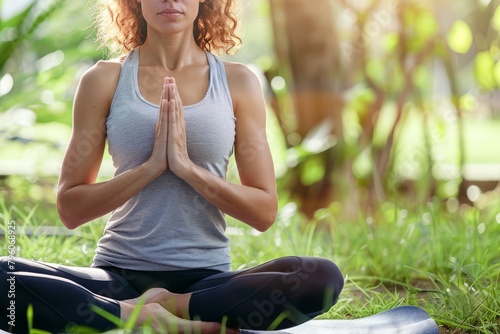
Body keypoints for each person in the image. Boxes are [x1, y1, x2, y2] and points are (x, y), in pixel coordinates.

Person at [0, 0, 344, 332]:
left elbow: (264, 212)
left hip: (207, 283)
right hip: (117, 276)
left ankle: (169, 308)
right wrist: (149, 168)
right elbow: (69, 210)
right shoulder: (104, 79)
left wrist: (186, 168)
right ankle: (141, 315)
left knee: (322, 278)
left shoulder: (238, 82)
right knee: (5, 279)